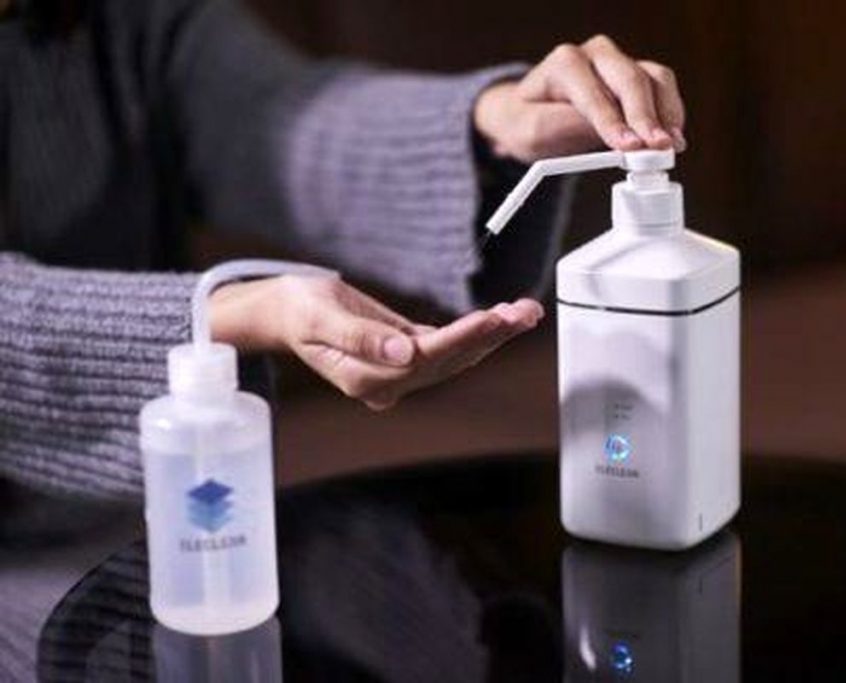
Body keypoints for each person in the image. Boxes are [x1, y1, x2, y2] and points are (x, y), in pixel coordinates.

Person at [0, 0, 685, 676]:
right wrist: (230, 315)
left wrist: (499, 122)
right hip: (37, 559)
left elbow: (278, 119)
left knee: (428, 636)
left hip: (173, 516)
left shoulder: (122, 21)